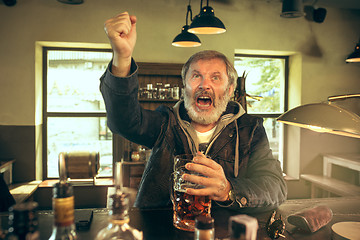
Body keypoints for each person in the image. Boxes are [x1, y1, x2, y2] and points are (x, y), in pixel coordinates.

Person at [100, 12, 287, 211]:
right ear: (185, 86)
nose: (204, 85)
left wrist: (228, 190)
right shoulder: (166, 122)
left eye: (215, 78)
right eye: (196, 76)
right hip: (162, 228)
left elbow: (275, 187)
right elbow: (123, 121)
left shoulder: (250, 129)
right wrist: (122, 57)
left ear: (230, 89)